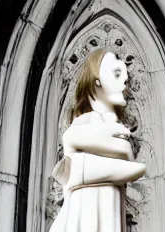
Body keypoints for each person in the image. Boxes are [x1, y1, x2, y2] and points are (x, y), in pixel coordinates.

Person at [49, 49, 146, 232]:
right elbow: (126, 155)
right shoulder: (87, 121)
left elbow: (127, 156)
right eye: (117, 73)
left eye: (126, 75)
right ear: (97, 81)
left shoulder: (112, 128)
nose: (125, 79)